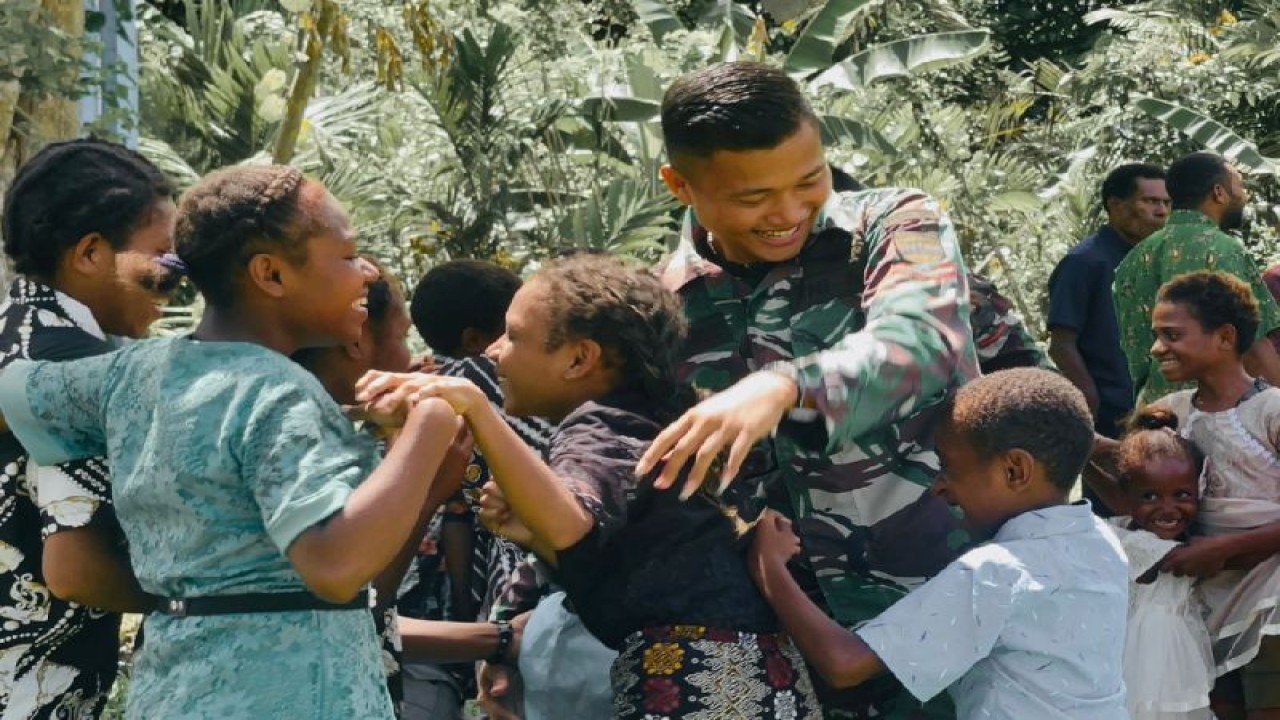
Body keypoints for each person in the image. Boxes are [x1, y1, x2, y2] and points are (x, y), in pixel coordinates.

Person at [0, 165, 462, 718]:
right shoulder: (280, 393)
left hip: (172, 692)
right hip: (293, 695)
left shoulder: (133, 372)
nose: (366, 273)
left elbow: (13, 391)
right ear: (271, 274)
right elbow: (335, 565)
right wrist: (429, 425)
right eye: (347, 255)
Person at [634, 60, 979, 718]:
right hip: (781, 648)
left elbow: (922, 339)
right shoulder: (658, 307)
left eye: (809, 180)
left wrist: (783, 385)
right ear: (680, 184)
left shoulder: (895, 223)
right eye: (753, 198)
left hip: (946, 607)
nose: (788, 213)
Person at [357, 254, 821, 719]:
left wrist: (478, 410)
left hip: (702, 687)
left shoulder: (600, 427)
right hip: (759, 678)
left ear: (579, 359)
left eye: (514, 337)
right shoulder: (656, 418)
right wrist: (529, 529)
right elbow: (625, 557)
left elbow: (571, 523)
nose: (495, 352)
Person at [749, 368, 1129, 719]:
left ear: (1015, 470)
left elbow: (845, 663)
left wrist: (769, 567)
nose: (938, 487)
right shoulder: (1103, 545)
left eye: (948, 467)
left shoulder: (997, 573)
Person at [0, 138, 178, 717]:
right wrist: (197, 601)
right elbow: (77, 571)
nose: (175, 278)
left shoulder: (15, 335)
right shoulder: (72, 369)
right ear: (90, 253)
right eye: (163, 256)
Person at [406, 259, 556, 719]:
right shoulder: (476, 380)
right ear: (476, 340)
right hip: (529, 580)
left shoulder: (421, 388)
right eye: (510, 332)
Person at [1136, 271, 1280, 719]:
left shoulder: (1271, 410)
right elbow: (1139, 497)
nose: (1157, 348)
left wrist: (1225, 548)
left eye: (1172, 335)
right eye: (1157, 335)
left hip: (1271, 599)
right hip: (1203, 605)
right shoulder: (1172, 414)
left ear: (1224, 337)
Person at [1114, 153, 1280, 406]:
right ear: (1218, 193)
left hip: (1155, 412)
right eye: (1239, 185)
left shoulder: (1133, 259)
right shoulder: (1224, 249)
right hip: (1219, 411)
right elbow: (1253, 347)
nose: (1244, 195)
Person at [1104, 408, 1215, 720]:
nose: (1168, 508)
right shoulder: (1132, 542)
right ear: (1125, 496)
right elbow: (1193, 560)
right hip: (1146, 660)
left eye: (1182, 495)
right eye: (1150, 497)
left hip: (1180, 653)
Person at [1048, 163, 1169, 439]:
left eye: (1166, 203)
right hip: (1112, 414)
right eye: (1150, 201)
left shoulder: (1159, 259)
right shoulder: (1084, 262)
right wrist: (1089, 401)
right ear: (1116, 205)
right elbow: (1061, 344)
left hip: (1161, 407)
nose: (1161, 211)